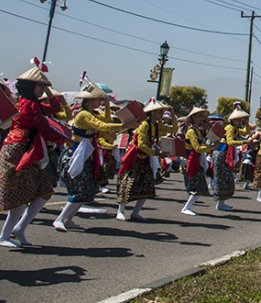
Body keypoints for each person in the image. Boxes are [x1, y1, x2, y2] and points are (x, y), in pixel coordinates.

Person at [0, 66, 67, 247]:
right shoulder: (28, 104)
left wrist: (47, 90)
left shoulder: (31, 102)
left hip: (28, 150)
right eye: (39, 85)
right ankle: (5, 235)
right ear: (30, 86)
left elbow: (54, 107)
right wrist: (61, 138)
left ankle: (19, 228)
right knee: (23, 195)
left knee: (43, 191)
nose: (41, 89)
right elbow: (43, 125)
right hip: (19, 150)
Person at [55, 83, 132, 231]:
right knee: (79, 187)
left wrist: (108, 107)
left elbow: (107, 121)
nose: (100, 102)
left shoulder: (93, 113)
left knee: (87, 188)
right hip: (76, 153)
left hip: (86, 154)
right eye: (99, 100)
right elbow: (102, 127)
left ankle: (68, 219)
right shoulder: (84, 114)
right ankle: (60, 219)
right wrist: (125, 126)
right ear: (90, 100)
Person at [116, 100, 178, 221]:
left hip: (146, 158)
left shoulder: (156, 125)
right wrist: (156, 153)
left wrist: (173, 114)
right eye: (159, 111)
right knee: (128, 183)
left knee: (147, 185)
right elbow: (141, 144)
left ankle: (136, 212)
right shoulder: (145, 125)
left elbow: (173, 129)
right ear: (152, 113)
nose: (162, 113)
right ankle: (120, 211)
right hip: (135, 158)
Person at [212, 106, 248, 211]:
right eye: (238, 119)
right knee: (222, 178)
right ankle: (220, 203)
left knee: (226, 178)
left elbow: (245, 131)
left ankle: (221, 203)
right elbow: (230, 141)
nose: (240, 121)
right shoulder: (230, 128)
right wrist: (244, 142)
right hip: (222, 153)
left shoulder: (234, 128)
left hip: (225, 153)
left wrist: (246, 122)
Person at [181, 107, 211, 216]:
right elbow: (197, 148)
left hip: (196, 159)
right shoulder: (191, 131)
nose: (201, 118)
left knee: (200, 185)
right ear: (193, 117)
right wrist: (210, 147)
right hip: (190, 160)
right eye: (199, 116)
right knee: (197, 185)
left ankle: (187, 207)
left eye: (203, 116)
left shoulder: (197, 130)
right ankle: (186, 207)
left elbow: (202, 144)